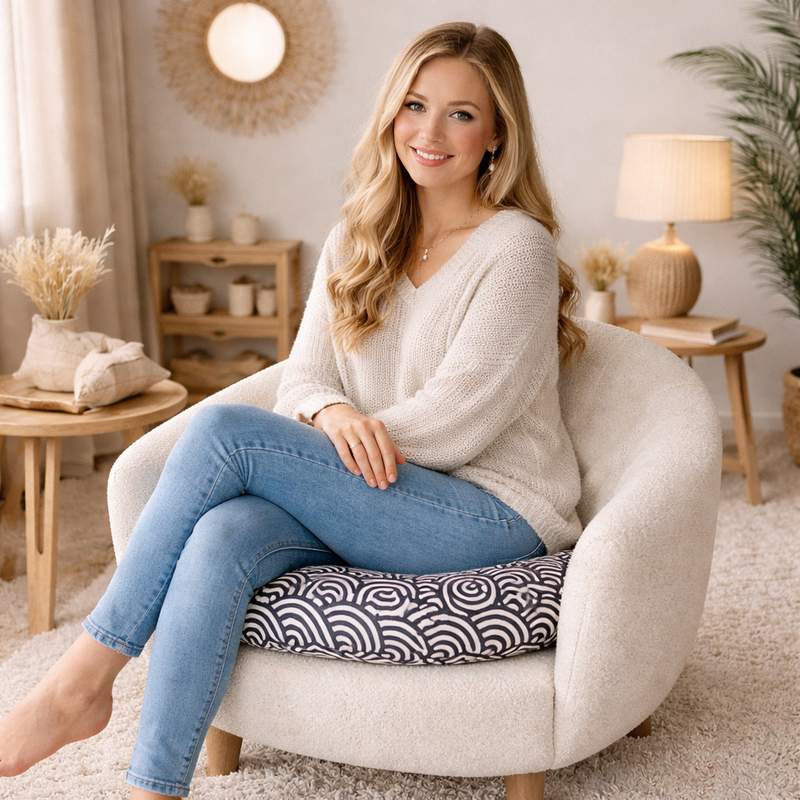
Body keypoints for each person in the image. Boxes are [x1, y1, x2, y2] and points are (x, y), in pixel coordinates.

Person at [0, 20, 586, 799]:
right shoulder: (359, 235)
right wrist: (334, 421)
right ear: (390, 115)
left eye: (461, 113)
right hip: (377, 492)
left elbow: (458, 421)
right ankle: (153, 788)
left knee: (222, 432)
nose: (430, 132)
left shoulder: (517, 248)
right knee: (223, 530)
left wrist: (318, 449)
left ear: (496, 135)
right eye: (415, 104)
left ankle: (78, 683)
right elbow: (304, 378)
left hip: (492, 514)